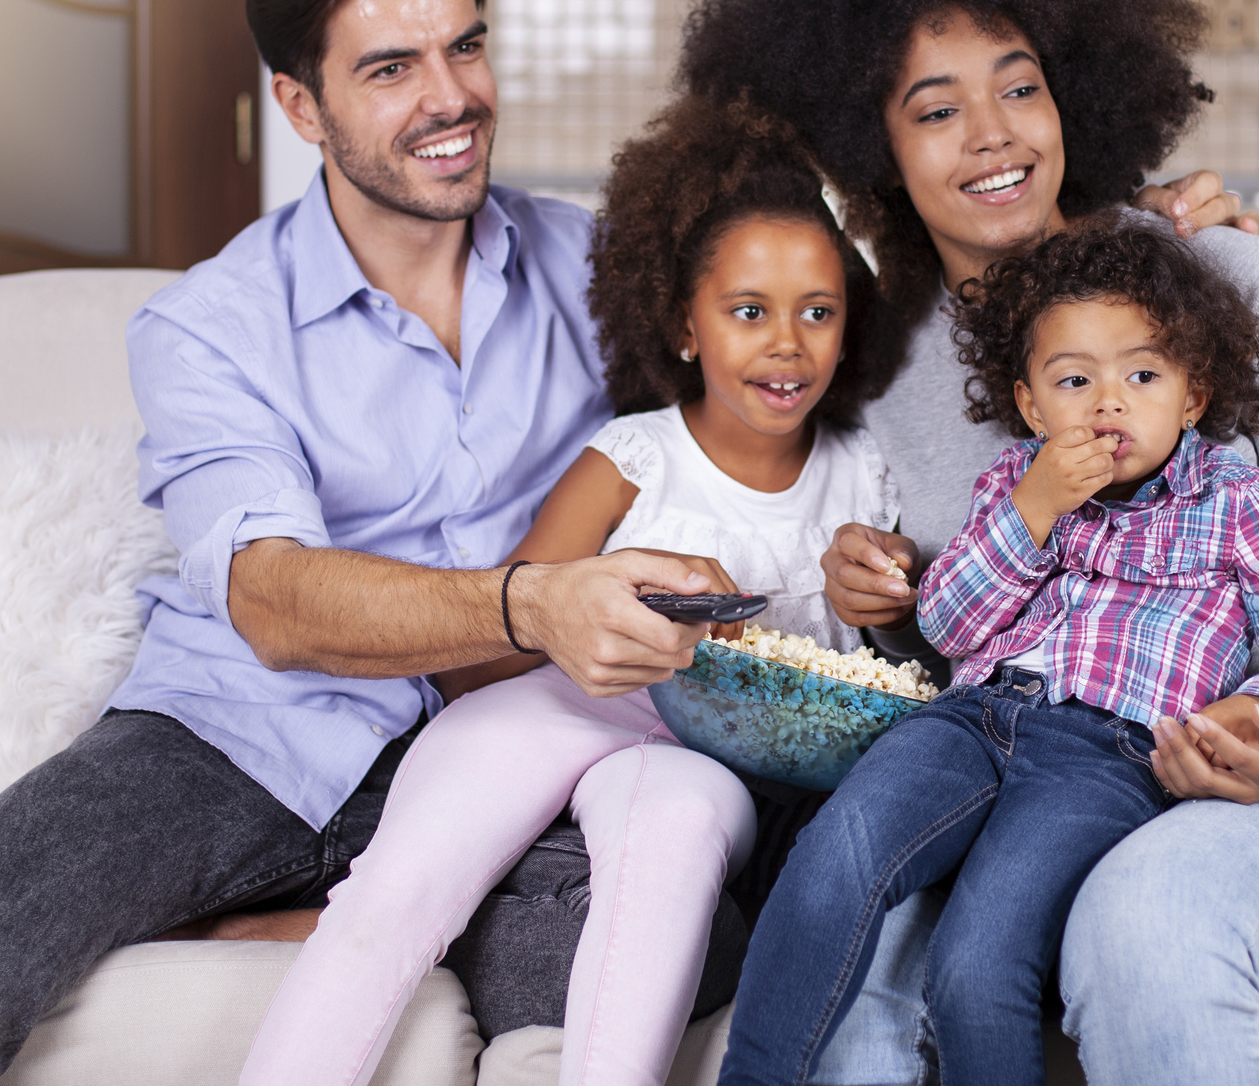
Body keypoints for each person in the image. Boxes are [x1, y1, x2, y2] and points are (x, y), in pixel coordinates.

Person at [0, 0, 744, 1086]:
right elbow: (275, 605)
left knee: (697, 937)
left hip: (491, 748)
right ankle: (275, 916)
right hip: (227, 733)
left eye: (466, 44)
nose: (450, 97)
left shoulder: (601, 270)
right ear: (301, 104)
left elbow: (762, 387)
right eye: (391, 67)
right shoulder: (207, 328)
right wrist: (531, 600)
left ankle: (299, 922)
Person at [677, 0, 1259, 1086]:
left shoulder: (1218, 282)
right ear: (875, 149)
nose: (993, 134)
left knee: (1141, 921)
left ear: (1073, 92)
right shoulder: (883, 354)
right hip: (1010, 753)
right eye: (935, 108)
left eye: (1020, 87)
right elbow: (965, 641)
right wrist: (882, 599)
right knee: (859, 982)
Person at [239, 99, 912, 1086]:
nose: (787, 343)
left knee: (671, 844)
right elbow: (499, 640)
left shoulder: (865, 475)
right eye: (748, 310)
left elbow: (878, 667)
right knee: (398, 895)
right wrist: (618, 601)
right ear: (687, 325)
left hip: (697, 753)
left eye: (818, 310)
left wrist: (887, 593)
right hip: (555, 704)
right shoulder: (634, 455)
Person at [719, 218, 1259, 1086]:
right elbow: (947, 626)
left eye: (1142, 375)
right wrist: (1033, 507)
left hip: (1110, 756)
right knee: (835, 857)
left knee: (977, 962)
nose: (1109, 403)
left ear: (1192, 396)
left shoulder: (1237, 500)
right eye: (1074, 379)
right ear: (1030, 405)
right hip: (970, 720)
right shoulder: (1013, 485)